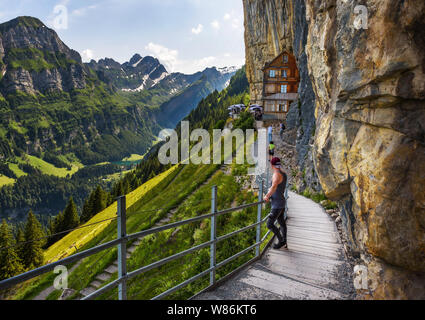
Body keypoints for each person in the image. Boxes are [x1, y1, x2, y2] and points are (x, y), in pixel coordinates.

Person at [264, 157, 288, 249]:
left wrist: (267, 196)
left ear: (272, 165)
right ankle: (284, 242)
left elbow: (273, 187)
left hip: (277, 205)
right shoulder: (283, 173)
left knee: (269, 224)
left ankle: (281, 241)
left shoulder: (276, 174)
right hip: (281, 202)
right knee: (282, 223)